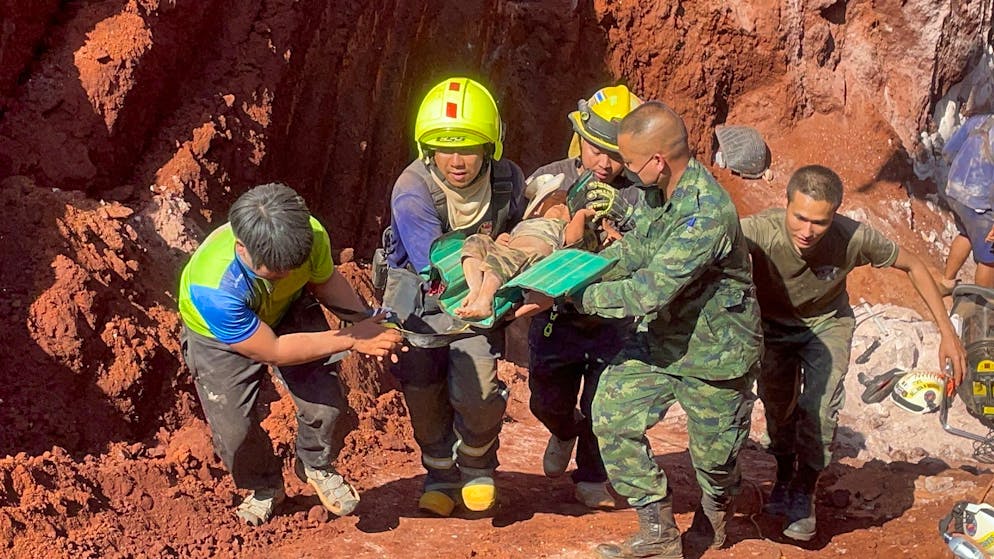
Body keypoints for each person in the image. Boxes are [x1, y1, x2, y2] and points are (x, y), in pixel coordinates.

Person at [519, 101, 763, 558]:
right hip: (664, 340)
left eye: (629, 162)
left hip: (716, 352)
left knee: (714, 461)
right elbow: (634, 251)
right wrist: (572, 273)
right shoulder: (659, 192)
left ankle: (721, 510)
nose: (622, 171)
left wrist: (571, 296)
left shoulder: (704, 214)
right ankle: (657, 533)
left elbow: (646, 292)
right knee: (610, 410)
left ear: (656, 161)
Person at [740, 164, 968, 542]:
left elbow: (911, 264)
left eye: (819, 222)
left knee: (819, 408)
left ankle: (804, 491)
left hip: (827, 325)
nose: (807, 231)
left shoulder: (852, 237)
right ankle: (783, 476)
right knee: (777, 407)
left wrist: (947, 333)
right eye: (799, 217)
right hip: (773, 328)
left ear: (835, 215)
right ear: (786, 205)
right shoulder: (760, 231)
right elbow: (706, 242)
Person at [177, 183, 404, 526]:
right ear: (242, 248)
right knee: (235, 430)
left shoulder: (310, 235)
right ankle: (265, 487)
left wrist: (365, 319)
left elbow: (325, 281)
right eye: (276, 269)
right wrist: (352, 338)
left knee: (325, 403)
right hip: (219, 337)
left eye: (291, 266)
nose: (285, 273)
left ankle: (314, 463)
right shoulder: (213, 288)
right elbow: (275, 350)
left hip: (287, 307)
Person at [383, 76, 527, 516]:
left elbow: (520, 237)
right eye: (444, 147)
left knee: (479, 390)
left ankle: (478, 466)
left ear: (490, 146)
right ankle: (440, 474)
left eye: (467, 146)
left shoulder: (508, 180)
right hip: (423, 304)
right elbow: (438, 262)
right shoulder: (412, 189)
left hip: (480, 302)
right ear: (428, 148)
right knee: (424, 393)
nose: (457, 160)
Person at [525, 84, 646, 511]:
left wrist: (623, 224)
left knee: (603, 403)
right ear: (580, 135)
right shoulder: (550, 178)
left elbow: (653, 249)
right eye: (597, 148)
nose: (604, 162)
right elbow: (527, 237)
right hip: (557, 316)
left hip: (614, 319)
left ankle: (592, 475)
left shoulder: (640, 193)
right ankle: (562, 430)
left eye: (615, 154)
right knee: (545, 399)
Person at [456, 174, 598, 320]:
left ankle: (484, 302)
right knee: (475, 241)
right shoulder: (526, 223)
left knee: (503, 259)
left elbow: (574, 239)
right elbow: (506, 240)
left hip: (530, 257)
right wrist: (500, 240)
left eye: (562, 204)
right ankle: (475, 289)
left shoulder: (560, 226)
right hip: (510, 250)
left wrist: (580, 216)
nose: (560, 205)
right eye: (554, 201)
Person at [939, 106, 994, 291]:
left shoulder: (977, 120)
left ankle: (946, 283)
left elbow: (947, 152)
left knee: (966, 234)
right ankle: (983, 305)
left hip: (956, 193)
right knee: (990, 257)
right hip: (981, 203)